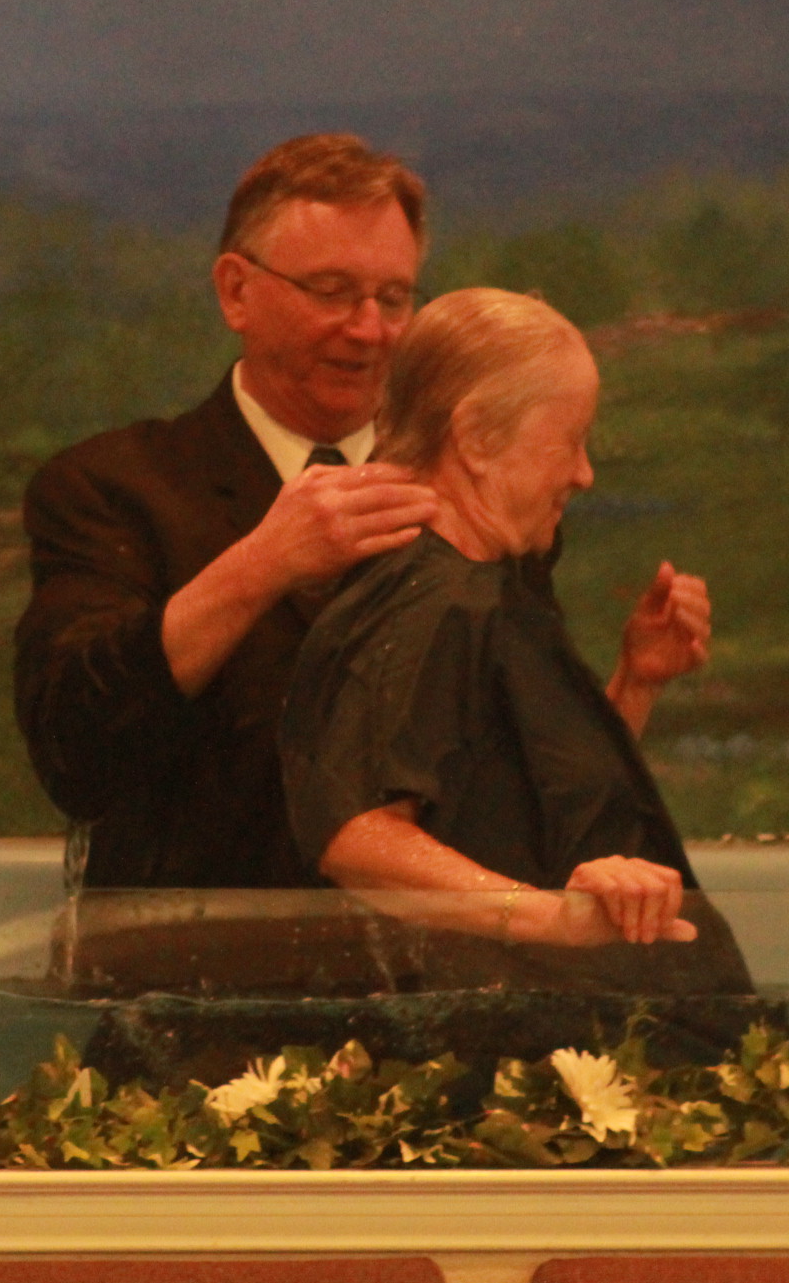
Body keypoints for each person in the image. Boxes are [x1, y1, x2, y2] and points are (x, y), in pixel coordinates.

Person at [281, 288, 757, 996]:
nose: (584, 473)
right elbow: (356, 836)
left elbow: (532, 809)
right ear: (476, 437)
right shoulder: (430, 600)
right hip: (525, 1039)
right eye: (570, 439)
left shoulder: (490, 591)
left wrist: (635, 684)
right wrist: (550, 920)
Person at [13, 134, 441, 893]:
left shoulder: (452, 491)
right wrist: (263, 564)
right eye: (332, 291)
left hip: (424, 959)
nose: (369, 329)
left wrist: (631, 686)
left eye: (393, 298)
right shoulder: (109, 488)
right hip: (185, 958)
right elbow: (76, 757)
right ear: (236, 291)